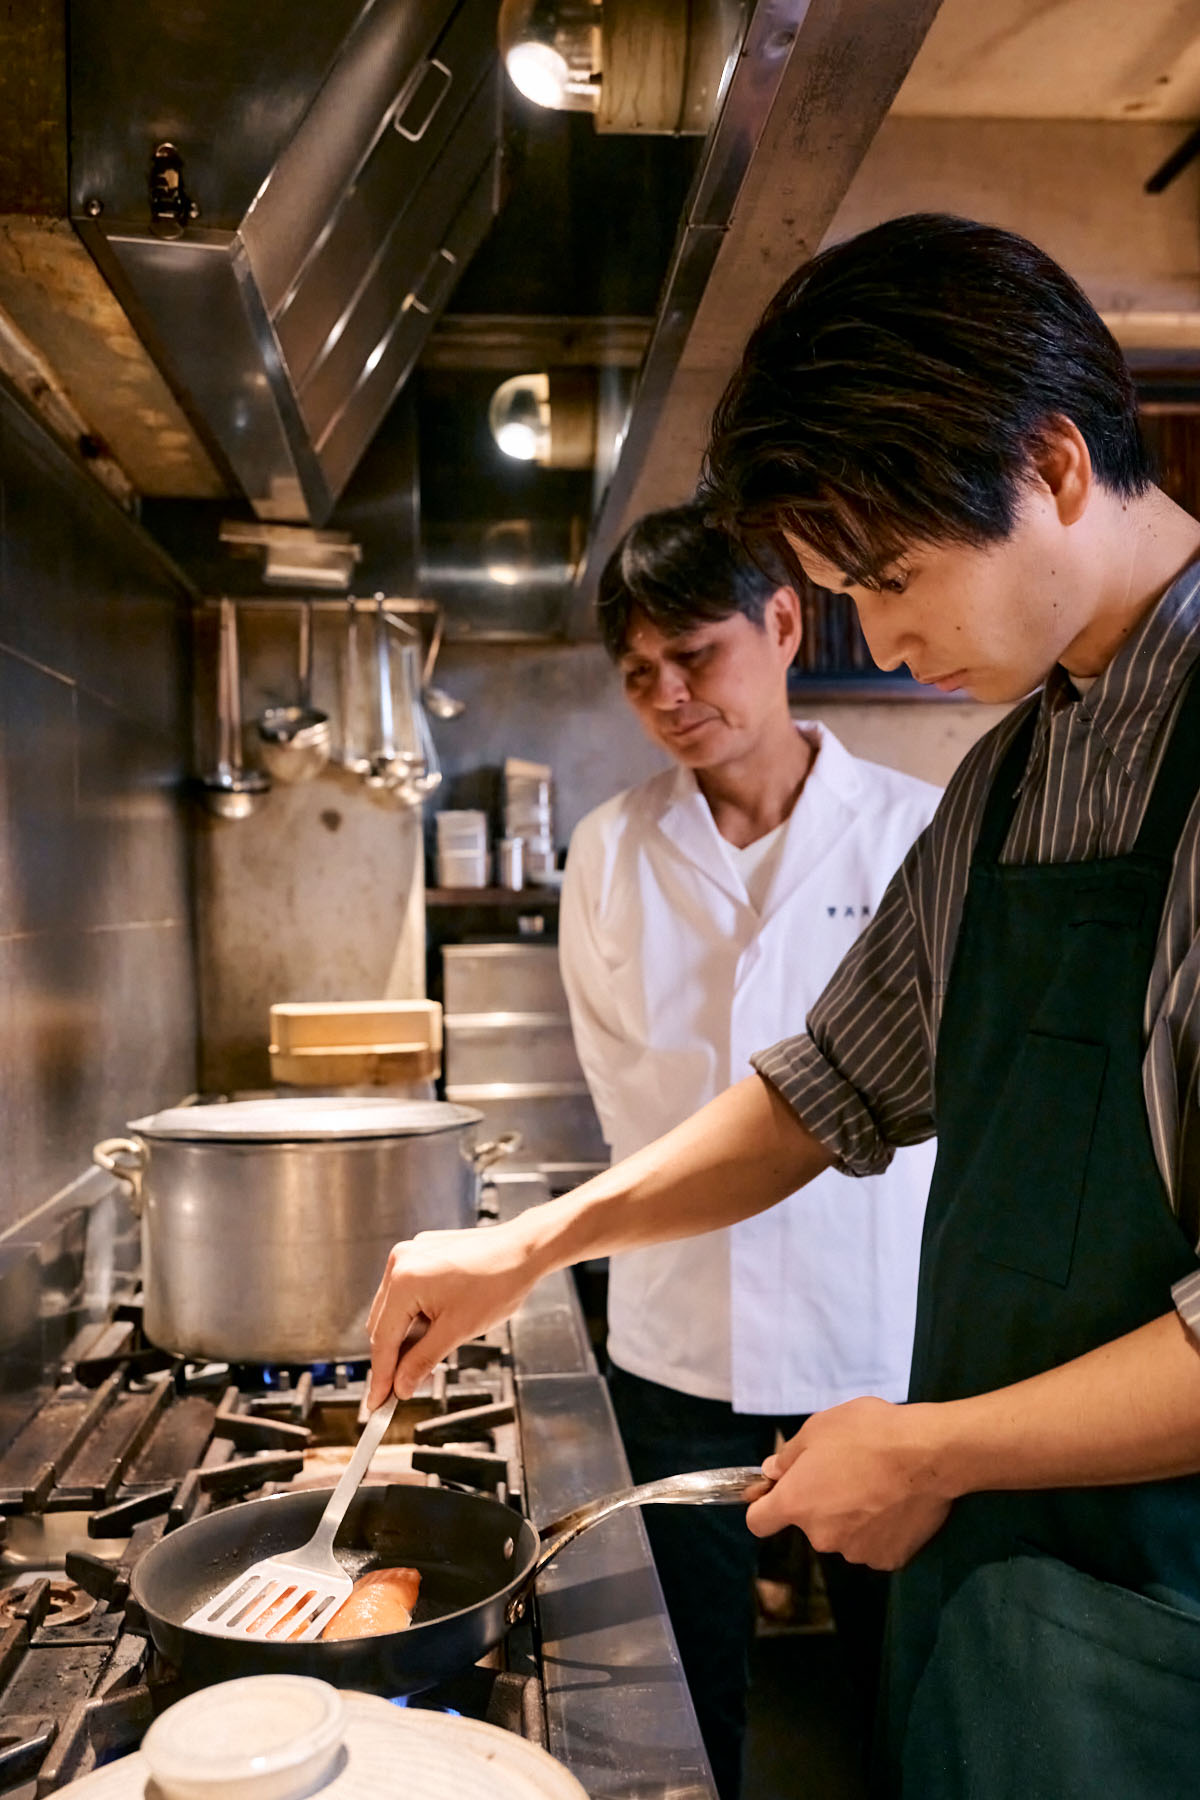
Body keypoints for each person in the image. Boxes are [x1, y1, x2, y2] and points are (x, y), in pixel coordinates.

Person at [367, 213, 1200, 1799]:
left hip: (1168, 1614)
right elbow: (831, 1086)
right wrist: (534, 1244)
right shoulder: (1016, 774)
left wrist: (941, 1446)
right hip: (1011, 1601)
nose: (879, 639)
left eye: (891, 577)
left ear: (1056, 468)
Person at [558, 503, 939, 1798]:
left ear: (784, 624)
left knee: (898, 1678)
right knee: (678, 1681)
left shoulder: (918, 834)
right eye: (638, 674)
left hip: (875, 1327)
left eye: (696, 654)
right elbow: (625, 1108)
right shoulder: (609, 852)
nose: (668, 695)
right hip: (681, 1338)